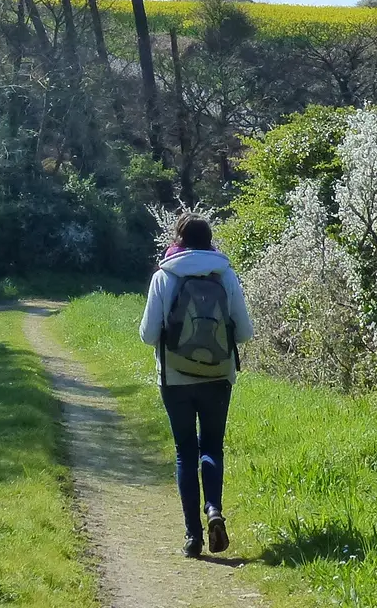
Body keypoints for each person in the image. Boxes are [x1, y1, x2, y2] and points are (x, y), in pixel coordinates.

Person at [137, 213, 254, 558]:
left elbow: (147, 336)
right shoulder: (226, 275)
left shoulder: (164, 275)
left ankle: (193, 536)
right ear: (210, 239)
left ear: (178, 239)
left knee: (185, 451)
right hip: (218, 377)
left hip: (175, 378)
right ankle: (214, 509)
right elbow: (245, 332)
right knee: (212, 447)